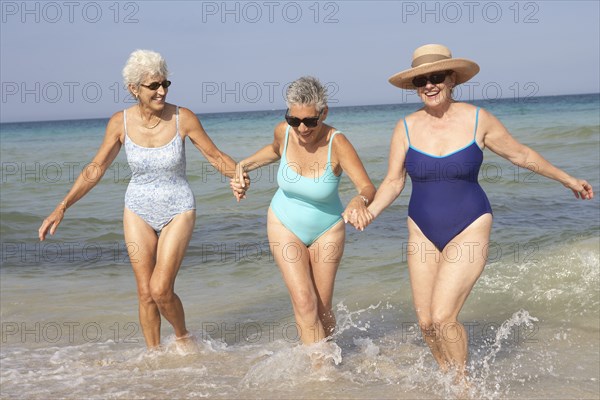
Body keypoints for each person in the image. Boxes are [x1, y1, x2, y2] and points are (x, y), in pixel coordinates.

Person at [355, 44, 594, 382]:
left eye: (436, 77)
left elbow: (521, 155)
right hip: (421, 229)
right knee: (426, 324)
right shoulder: (405, 127)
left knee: (443, 316)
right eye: (422, 80)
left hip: (470, 223)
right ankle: (447, 379)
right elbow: (393, 182)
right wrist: (371, 211)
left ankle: (464, 385)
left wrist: (567, 179)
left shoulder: (477, 119)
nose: (429, 85)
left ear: (452, 79)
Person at [38, 49, 246, 350]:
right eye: (153, 86)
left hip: (178, 207)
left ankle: (183, 337)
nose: (161, 91)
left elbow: (215, 156)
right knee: (145, 292)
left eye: (165, 84)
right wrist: (63, 206)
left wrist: (238, 175)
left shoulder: (182, 118)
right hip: (137, 208)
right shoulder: (119, 123)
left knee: (161, 289)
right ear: (133, 89)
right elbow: (95, 169)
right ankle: (154, 358)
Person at [232, 76, 375, 346]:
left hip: (327, 230)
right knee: (304, 302)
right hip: (284, 223)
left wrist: (359, 201)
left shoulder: (338, 143)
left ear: (324, 113)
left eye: (310, 121)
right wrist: (244, 166)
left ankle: (331, 355)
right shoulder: (284, 133)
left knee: (322, 308)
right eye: (294, 120)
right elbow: (275, 151)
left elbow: (367, 187)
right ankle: (321, 374)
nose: (302, 128)